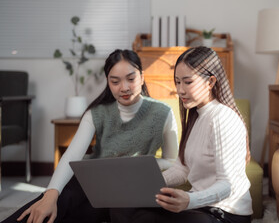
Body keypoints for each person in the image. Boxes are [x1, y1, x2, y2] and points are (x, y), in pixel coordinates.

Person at [3, 49, 178, 223]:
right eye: (115, 81)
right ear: (108, 82)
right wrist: (51, 194)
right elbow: (71, 155)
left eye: (131, 79)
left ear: (142, 77)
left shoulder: (162, 113)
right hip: (94, 185)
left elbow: (172, 160)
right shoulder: (96, 114)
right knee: (49, 205)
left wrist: (142, 163)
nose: (124, 87)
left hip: (134, 187)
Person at [110, 46, 253, 223]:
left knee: (144, 218)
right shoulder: (195, 116)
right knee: (122, 205)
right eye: (177, 82)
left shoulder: (223, 117)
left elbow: (228, 185)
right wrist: (145, 185)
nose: (180, 90)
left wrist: (190, 200)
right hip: (199, 206)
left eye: (188, 82)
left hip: (225, 214)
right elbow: (182, 169)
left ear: (210, 82)